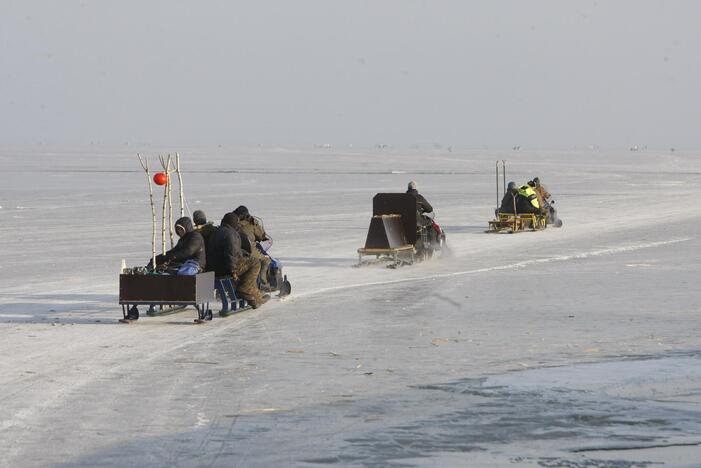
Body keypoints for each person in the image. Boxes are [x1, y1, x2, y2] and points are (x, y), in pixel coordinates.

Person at [124, 217, 206, 320]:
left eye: (181, 229)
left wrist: (173, 257)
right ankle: (137, 306)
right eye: (178, 230)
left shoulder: (195, 236)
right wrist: (159, 258)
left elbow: (188, 251)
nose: (179, 232)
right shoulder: (182, 240)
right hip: (183, 264)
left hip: (195, 264)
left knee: (184, 274)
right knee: (159, 274)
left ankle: (183, 296)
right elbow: (174, 251)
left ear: (187, 228)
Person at [207, 213, 267, 308]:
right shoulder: (231, 234)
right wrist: (233, 270)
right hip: (225, 269)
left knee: (247, 266)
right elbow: (231, 254)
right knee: (255, 263)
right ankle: (245, 290)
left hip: (213, 267)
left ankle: (256, 296)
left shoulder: (216, 232)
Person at [233, 205, 272, 290]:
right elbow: (261, 235)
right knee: (266, 260)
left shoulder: (233, 224)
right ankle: (263, 282)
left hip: (237, 253)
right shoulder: (252, 223)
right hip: (249, 250)